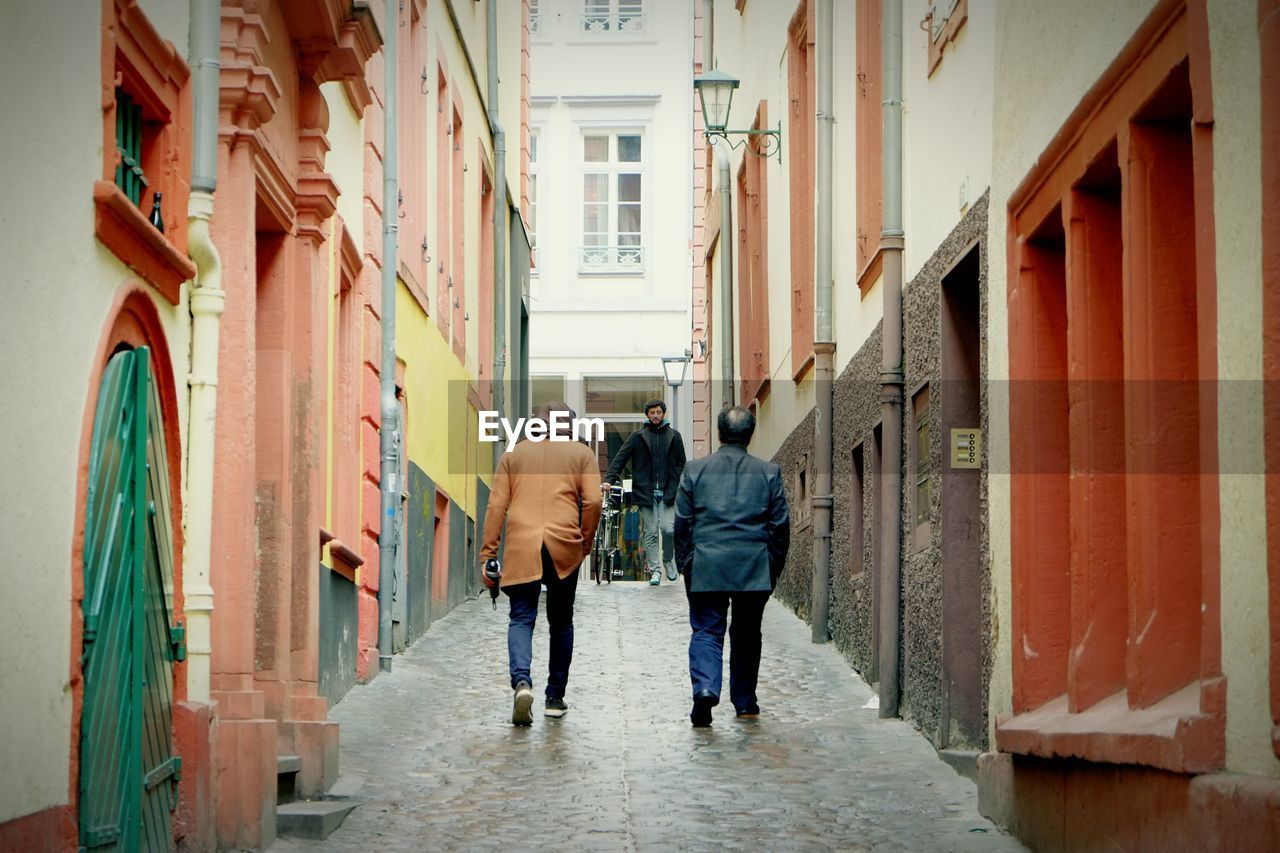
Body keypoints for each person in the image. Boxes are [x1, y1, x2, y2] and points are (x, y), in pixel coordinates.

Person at [480, 402, 602, 726]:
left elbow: (496, 506)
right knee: (561, 621)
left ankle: (522, 683)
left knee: (521, 618)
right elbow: (594, 501)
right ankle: (554, 697)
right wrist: (585, 542)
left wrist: (488, 554)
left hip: (522, 544)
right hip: (564, 545)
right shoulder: (580, 454)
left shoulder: (513, 455)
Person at [674, 406, 790, 727]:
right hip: (753, 567)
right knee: (748, 634)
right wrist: (772, 566)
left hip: (707, 564)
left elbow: (682, 523)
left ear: (719, 431)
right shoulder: (768, 473)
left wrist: (687, 564)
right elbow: (779, 526)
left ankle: (706, 688)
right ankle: (745, 702)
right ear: (750, 435)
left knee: (707, 630)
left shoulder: (695, 470)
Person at [603, 398, 686, 585]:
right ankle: (655, 571)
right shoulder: (637, 437)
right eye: (652, 413)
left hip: (668, 491)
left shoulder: (674, 436)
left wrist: (677, 480)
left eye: (658, 412)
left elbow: (682, 462)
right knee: (650, 532)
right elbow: (620, 458)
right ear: (647, 415)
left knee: (668, 529)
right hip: (645, 492)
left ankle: (667, 560)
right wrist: (608, 480)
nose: (655, 416)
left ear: (663, 414)